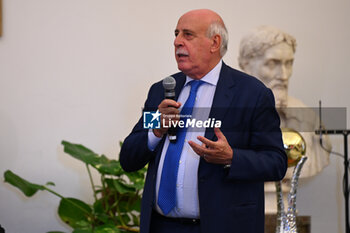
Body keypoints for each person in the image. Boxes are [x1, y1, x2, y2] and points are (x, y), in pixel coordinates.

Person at [120, 10, 287, 233]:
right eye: (176, 34)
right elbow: (128, 159)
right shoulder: (162, 91)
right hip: (162, 227)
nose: (177, 41)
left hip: (221, 226)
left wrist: (231, 157)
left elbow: (276, 162)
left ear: (214, 43)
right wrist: (156, 131)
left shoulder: (252, 94)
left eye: (187, 35)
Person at [238, 25, 331, 213]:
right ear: (246, 65)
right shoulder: (228, 115)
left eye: (289, 63)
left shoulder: (308, 120)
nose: (284, 75)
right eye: (272, 63)